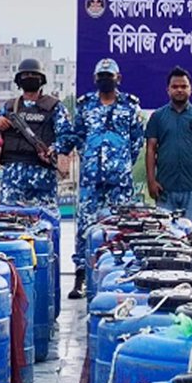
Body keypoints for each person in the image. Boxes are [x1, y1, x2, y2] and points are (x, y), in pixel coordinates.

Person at [66, 58, 144, 299]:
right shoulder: (85, 105)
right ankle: (81, 276)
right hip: (91, 179)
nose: (105, 80)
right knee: (85, 227)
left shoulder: (130, 105)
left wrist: (120, 163)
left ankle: (118, 273)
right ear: (95, 79)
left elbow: (136, 141)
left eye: (109, 76)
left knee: (120, 228)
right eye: (101, 76)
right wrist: (91, 158)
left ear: (118, 78)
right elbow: (78, 136)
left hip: (119, 180)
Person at [0, 58, 74, 206]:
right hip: (13, 178)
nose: (29, 78)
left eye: (34, 75)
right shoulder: (9, 107)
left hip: (42, 177)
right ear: (19, 81)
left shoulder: (54, 107)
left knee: (45, 217)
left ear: (41, 80)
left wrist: (53, 150)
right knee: (9, 217)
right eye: (25, 75)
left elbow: (67, 137)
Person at [145, 66, 192, 240]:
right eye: (175, 86)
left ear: (190, 89)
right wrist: (151, 181)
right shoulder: (157, 117)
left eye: (184, 86)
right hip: (165, 190)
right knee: (165, 240)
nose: (179, 90)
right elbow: (151, 148)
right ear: (168, 90)